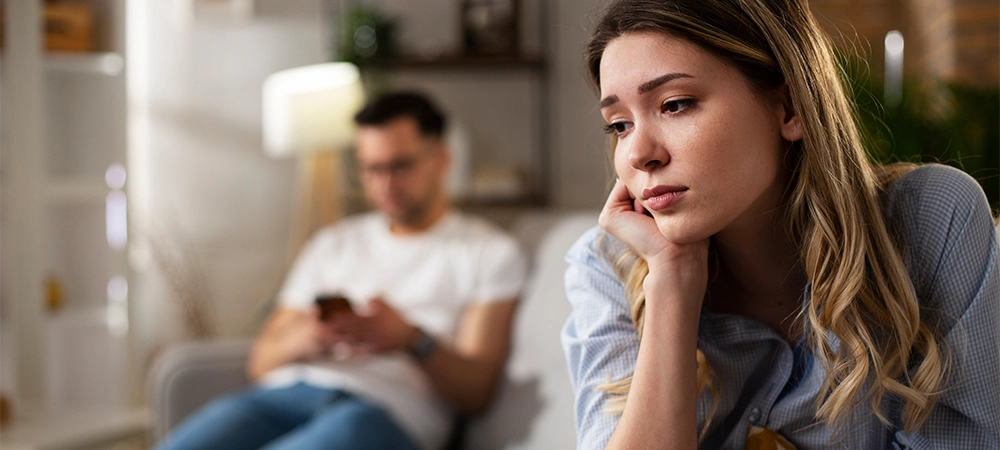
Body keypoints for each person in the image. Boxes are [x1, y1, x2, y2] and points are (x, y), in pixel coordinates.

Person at [560, 1, 999, 449]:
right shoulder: (607, 266)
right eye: (619, 125)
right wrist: (672, 281)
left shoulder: (935, 220)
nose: (637, 154)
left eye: (675, 105)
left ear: (789, 106)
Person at [157, 92, 527, 450]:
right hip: (290, 394)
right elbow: (261, 362)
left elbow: (476, 391)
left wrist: (411, 339)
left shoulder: (490, 253)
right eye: (372, 169)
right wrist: (310, 335)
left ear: (442, 159)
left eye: (400, 166)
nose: (385, 184)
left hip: (383, 411)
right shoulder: (333, 244)